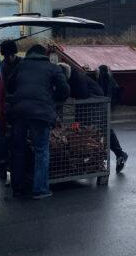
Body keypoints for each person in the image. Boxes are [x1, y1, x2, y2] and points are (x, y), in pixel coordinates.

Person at [8, 45, 70, 199]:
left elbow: (9, 86)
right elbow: (65, 90)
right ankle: (40, 190)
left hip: (19, 112)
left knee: (18, 151)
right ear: (45, 55)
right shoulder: (53, 68)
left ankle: (18, 189)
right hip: (41, 113)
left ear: (29, 54)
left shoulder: (20, 66)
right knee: (41, 151)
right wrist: (51, 99)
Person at [59, 63, 129, 173]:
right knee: (88, 130)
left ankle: (119, 155)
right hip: (87, 104)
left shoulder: (78, 79)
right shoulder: (71, 76)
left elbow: (82, 95)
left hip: (96, 103)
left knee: (98, 128)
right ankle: (92, 160)